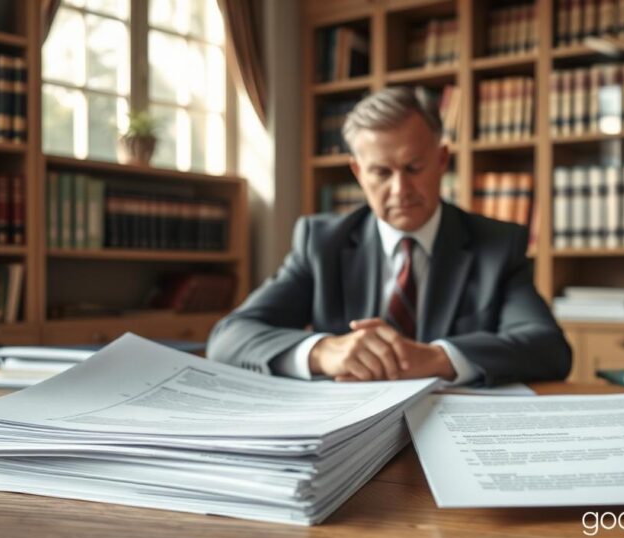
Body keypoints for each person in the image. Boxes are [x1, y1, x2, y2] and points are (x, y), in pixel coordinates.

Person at [208, 87, 572, 386]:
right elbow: (228, 338)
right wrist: (324, 351)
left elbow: (548, 349)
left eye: (414, 168)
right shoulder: (321, 242)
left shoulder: (497, 244)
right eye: (381, 172)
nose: (400, 189)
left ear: (442, 160)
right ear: (357, 172)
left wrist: (436, 357)